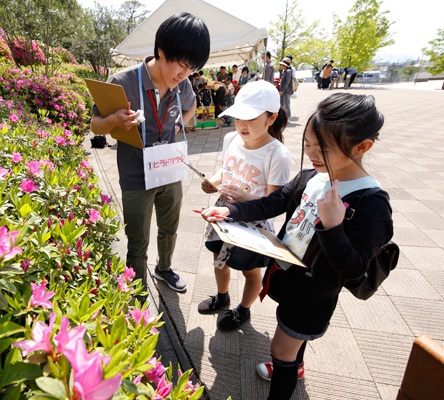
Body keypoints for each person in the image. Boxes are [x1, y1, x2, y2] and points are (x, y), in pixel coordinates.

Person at [201, 93, 393, 400]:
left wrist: (332, 228)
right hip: (290, 277)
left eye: (323, 149)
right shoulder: (314, 176)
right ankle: (293, 364)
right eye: (307, 146)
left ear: (362, 147)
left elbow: (355, 269)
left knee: (281, 347)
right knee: (289, 337)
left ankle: (285, 373)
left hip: (314, 294)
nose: (313, 155)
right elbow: (274, 201)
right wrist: (230, 212)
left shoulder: (370, 203)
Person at [90, 13, 211, 293]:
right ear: (161, 51)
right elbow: (95, 124)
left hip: (169, 168)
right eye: (181, 65)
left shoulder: (183, 85)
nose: (184, 75)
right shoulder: (122, 81)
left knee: (169, 229)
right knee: (137, 240)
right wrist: (114, 122)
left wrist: (181, 122)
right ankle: (138, 291)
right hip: (135, 176)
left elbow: (190, 108)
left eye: (191, 68)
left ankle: (164, 268)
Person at [198, 81, 291, 331]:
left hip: (253, 220)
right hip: (223, 211)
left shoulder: (277, 154)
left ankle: (243, 310)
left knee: (250, 271)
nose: (241, 124)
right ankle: (222, 296)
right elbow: (226, 168)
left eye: (250, 117)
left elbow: (274, 202)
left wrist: (243, 197)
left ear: (271, 119)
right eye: (238, 116)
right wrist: (213, 182)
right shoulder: (231, 138)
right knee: (218, 257)